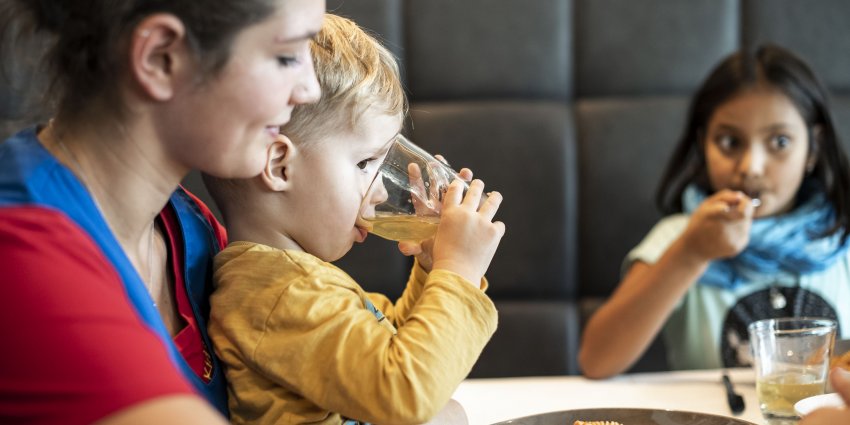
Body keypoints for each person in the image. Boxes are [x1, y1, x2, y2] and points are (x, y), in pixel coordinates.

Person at [0, 0, 323, 423]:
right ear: (161, 58)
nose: (310, 89)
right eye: (286, 57)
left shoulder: (192, 227)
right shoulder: (22, 257)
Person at [203, 14, 505, 425]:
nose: (381, 190)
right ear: (279, 166)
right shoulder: (280, 296)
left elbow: (395, 349)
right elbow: (405, 394)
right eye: (365, 162)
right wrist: (459, 271)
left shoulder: (289, 279)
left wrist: (433, 270)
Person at [579, 44, 850, 379]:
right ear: (702, 145)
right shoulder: (679, 237)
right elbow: (596, 360)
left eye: (779, 142)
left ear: (813, 149)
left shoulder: (841, 239)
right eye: (730, 142)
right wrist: (690, 253)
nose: (751, 167)